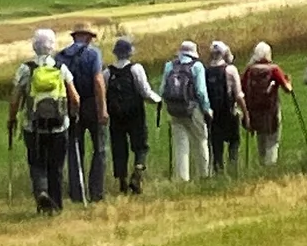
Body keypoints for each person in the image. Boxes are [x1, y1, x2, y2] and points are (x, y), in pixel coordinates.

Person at [7, 27, 81, 213]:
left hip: (33, 127)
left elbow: (15, 99)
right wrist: (73, 115)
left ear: (34, 45)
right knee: (56, 166)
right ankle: (56, 205)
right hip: (59, 126)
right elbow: (75, 98)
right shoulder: (60, 68)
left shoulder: (26, 69)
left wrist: (12, 119)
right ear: (52, 46)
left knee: (37, 163)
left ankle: (41, 191)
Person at [104, 36, 162, 195]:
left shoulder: (107, 72)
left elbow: (104, 93)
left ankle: (122, 181)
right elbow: (144, 91)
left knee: (119, 146)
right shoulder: (136, 69)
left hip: (116, 115)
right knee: (140, 145)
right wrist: (157, 100)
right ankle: (137, 172)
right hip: (135, 113)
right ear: (130, 52)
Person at [58, 24, 108, 204]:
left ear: (74, 37)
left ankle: (77, 192)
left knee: (75, 149)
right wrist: (102, 108)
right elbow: (98, 81)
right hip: (91, 103)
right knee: (100, 148)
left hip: (70, 104)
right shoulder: (93, 54)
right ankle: (96, 191)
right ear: (87, 37)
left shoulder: (61, 56)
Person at [158, 39, 212, 183]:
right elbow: (201, 91)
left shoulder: (170, 66)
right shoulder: (197, 66)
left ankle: (182, 178)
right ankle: (203, 174)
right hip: (193, 109)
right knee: (201, 140)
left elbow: (162, 90)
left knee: (180, 144)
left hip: (175, 110)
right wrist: (206, 109)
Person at [241, 41, 294, 164]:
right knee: (272, 139)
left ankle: (262, 163)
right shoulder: (274, 69)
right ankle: (270, 165)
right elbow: (288, 89)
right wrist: (289, 82)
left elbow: (242, 88)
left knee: (261, 137)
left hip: (254, 111)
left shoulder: (249, 70)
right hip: (271, 110)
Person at [207, 40, 245, 174]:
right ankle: (233, 169)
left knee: (216, 145)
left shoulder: (207, 71)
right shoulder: (230, 70)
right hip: (229, 112)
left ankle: (218, 171)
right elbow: (238, 95)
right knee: (234, 141)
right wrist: (245, 112)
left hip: (213, 114)